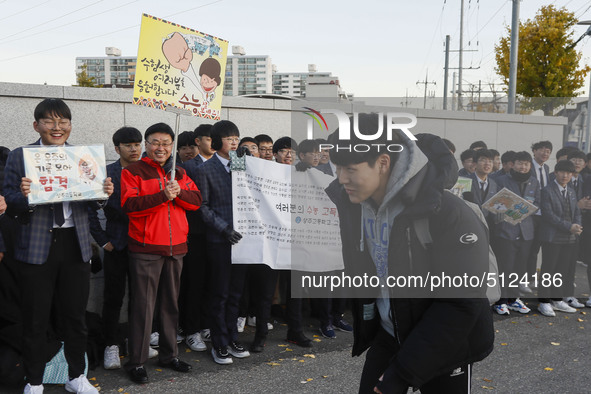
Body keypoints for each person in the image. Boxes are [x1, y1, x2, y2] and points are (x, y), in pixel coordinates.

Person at [325, 113, 493, 393]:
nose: (341, 178)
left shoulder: (448, 212)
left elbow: (461, 303)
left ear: (382, 162)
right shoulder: (354, 204)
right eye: (337, 167)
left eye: (350, 168)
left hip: (447, 345)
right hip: (390, 333)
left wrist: (403, 373)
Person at [3, 98, 114, 394]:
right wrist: (25, 195)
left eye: (63, 121)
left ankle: (76, 376)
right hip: (36, 246)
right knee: (35, 318)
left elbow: (94, 200)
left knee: (75, 316)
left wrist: (103, 194)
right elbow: (10, 202)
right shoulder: (20, 156)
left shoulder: (82, 157)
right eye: (50, 121)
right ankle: (34, 380)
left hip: (74, 244)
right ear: (36, 125)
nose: (57, 127)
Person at [121, 122, 202, 384]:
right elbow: (130, 206)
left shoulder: (178, 171)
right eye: (155, 142)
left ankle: (169, 355)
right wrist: (161, 194)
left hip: (176, 247)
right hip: (146, 248)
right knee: (143, 307)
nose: (161, 147)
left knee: (170, 304)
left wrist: (177, 193)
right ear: (146, 145)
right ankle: (137, 361)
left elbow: (196, 201)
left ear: (172, 146)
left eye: (166, 143)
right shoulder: (133, 171)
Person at [88, 127, 150, 370]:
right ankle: (110, 345)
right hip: (117, 244)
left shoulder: (150, 171)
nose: (134, 149)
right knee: (113, 297)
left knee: (142, 296)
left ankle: (140, 341)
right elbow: (90, 209)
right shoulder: (106, 173)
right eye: (128, 145)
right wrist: (103, 240)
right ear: (117, 148)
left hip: (145, 244)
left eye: (137, 144)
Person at [193, 120, 251, 365]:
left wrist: (251, 164)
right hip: (219, 240)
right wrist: (224, 228)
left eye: (236, 137)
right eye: (229, 138)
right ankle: (219, 342)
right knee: (220, 293)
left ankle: (232, 336)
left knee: (236, 293)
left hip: (244, 240)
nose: (234, 142)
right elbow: (202, 207)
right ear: (217, 142)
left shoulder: (243, 165)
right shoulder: (205, 169)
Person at [491, 151, 539, 314]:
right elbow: (495, 205)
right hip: (506, 230)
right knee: (505, 267)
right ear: (513, 164)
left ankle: (513, 298)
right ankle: (501, 300)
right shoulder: (501, 180)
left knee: (519, 268)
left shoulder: (534, 182)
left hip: (526, 232)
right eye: (520, 163)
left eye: (526, 164)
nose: (523, 167)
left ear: (530, 166)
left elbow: (538, 203)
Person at [537, 160, 583, 317]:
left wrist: (577, 225)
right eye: (562, 172)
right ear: (555, 173)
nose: (565, 175)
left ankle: (557, 300)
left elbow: (576, 211)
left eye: (569, 173)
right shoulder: (547, 190)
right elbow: (548, 214)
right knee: (549, 270)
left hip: (569, 238)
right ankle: (544, 302)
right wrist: (568, 226)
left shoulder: (571, 191)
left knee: (561, 270)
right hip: (553, 237)